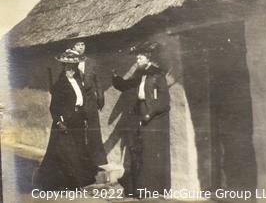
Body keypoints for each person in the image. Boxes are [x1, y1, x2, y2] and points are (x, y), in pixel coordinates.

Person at [112, 41, 171, 197]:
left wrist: (149, 114)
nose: (137, 61)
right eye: (137, 58)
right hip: (142, 113)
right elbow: (127, 85)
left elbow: (164, 101)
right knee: (141, 151)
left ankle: (154, 188)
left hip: (154, 117)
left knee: (151, 151)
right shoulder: (140, 74)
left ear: (148, 58)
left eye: (139, 58)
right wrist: (116, 79)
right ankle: (142, 187)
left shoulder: (157, 75)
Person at [36, 50, 98, 190]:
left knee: (79, 149)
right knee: (63, 152)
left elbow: (81, 99)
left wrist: (84, 116)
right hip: (65, 122)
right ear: (63, 68)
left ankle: (80, 179)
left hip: (78, 119)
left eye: (73, 67)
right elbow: (54, 107)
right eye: (68, 67)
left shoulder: (77, 81)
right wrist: (59, 122)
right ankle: (63, 182)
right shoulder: (60, 85)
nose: (71, 70)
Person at [72, 41, 107, 166]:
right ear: (73, 47)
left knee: (93, 128)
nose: (81, 47)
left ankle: (97, 160)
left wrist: (101, 96)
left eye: (83, 45)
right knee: (78, 128)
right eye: (78, 45)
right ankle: (79, 160)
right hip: (77, 100)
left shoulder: (91, 62)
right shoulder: (70, 62)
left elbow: (97, 81)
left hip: (91, 100)